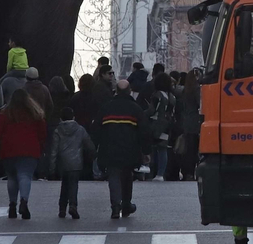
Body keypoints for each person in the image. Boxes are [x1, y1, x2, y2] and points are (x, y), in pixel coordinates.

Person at [0, 89, 47, 219]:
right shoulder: (35, 114)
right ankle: (24, 201)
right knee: (25, 175)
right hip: (29, 149)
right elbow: (42, 133)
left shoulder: (6, 114)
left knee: (12, 178)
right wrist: (41, 146)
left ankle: (12, 205)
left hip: (9, 150)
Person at [98, 79, 149, 218]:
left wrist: (96, 149)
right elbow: (143, 131)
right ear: (129, 91)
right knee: (127, 176)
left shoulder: (107, 107)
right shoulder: (135, 109)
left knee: (113, 176)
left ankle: (115, 206)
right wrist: (146, 151)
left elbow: (97, 129)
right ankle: (126, 204)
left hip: (110, 149)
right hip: (129, 149)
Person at [49, 106, 96, 219]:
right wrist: (93, 155)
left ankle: (62, 208)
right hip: (76, 162)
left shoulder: (57, 131)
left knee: (64, 185)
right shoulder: (80, 129)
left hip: (63, 163)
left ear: (61, 118)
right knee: (73, 184)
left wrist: (51, 168)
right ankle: (73, 205)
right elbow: (88, 144)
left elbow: (54, 151)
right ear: (73, 117)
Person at [147, 71, 175, 182]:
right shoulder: (172, 96)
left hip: (155, 124)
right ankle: (160, 174)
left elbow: (151, 110)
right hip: (167, 125)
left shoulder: (157, 95)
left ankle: (150, 172)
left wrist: (143, 114)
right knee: (163, 149)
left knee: (152, 148)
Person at [177, 72, 203, 181]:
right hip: (195, 122)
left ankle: (186, 171)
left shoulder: (184, 90)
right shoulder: (197, 89)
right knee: (194, 149)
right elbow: (200, 105)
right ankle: (192, 172)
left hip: (186, 121)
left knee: (187, 149)